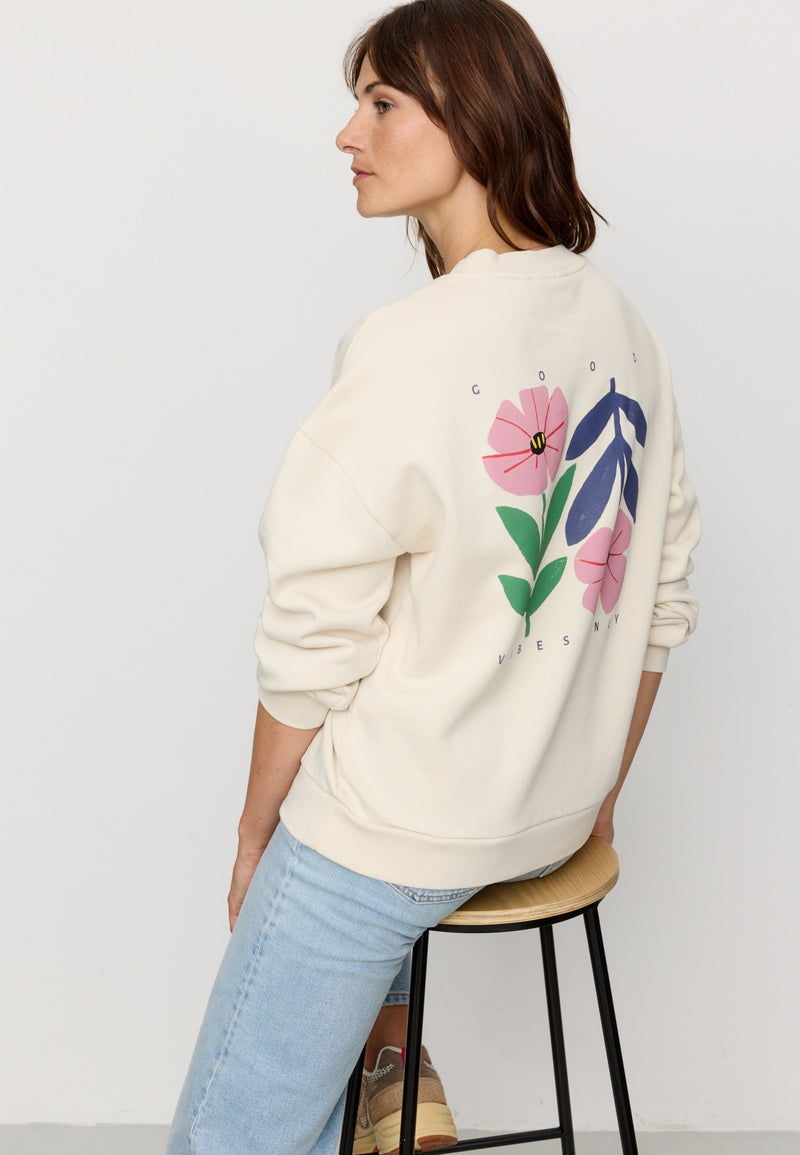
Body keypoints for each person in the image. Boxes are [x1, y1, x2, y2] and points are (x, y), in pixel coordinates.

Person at [166, 1, 700, 1152]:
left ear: (475, 115)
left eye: (380, 103)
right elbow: (658, 603)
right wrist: (595, 791)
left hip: (402, 834)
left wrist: (257, 835)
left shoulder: (409, 346)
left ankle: (379, 1061)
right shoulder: (625, 330)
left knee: (230, 1136)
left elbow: (313, 637)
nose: (347, 135)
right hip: (552, 818)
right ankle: (391, 1061)